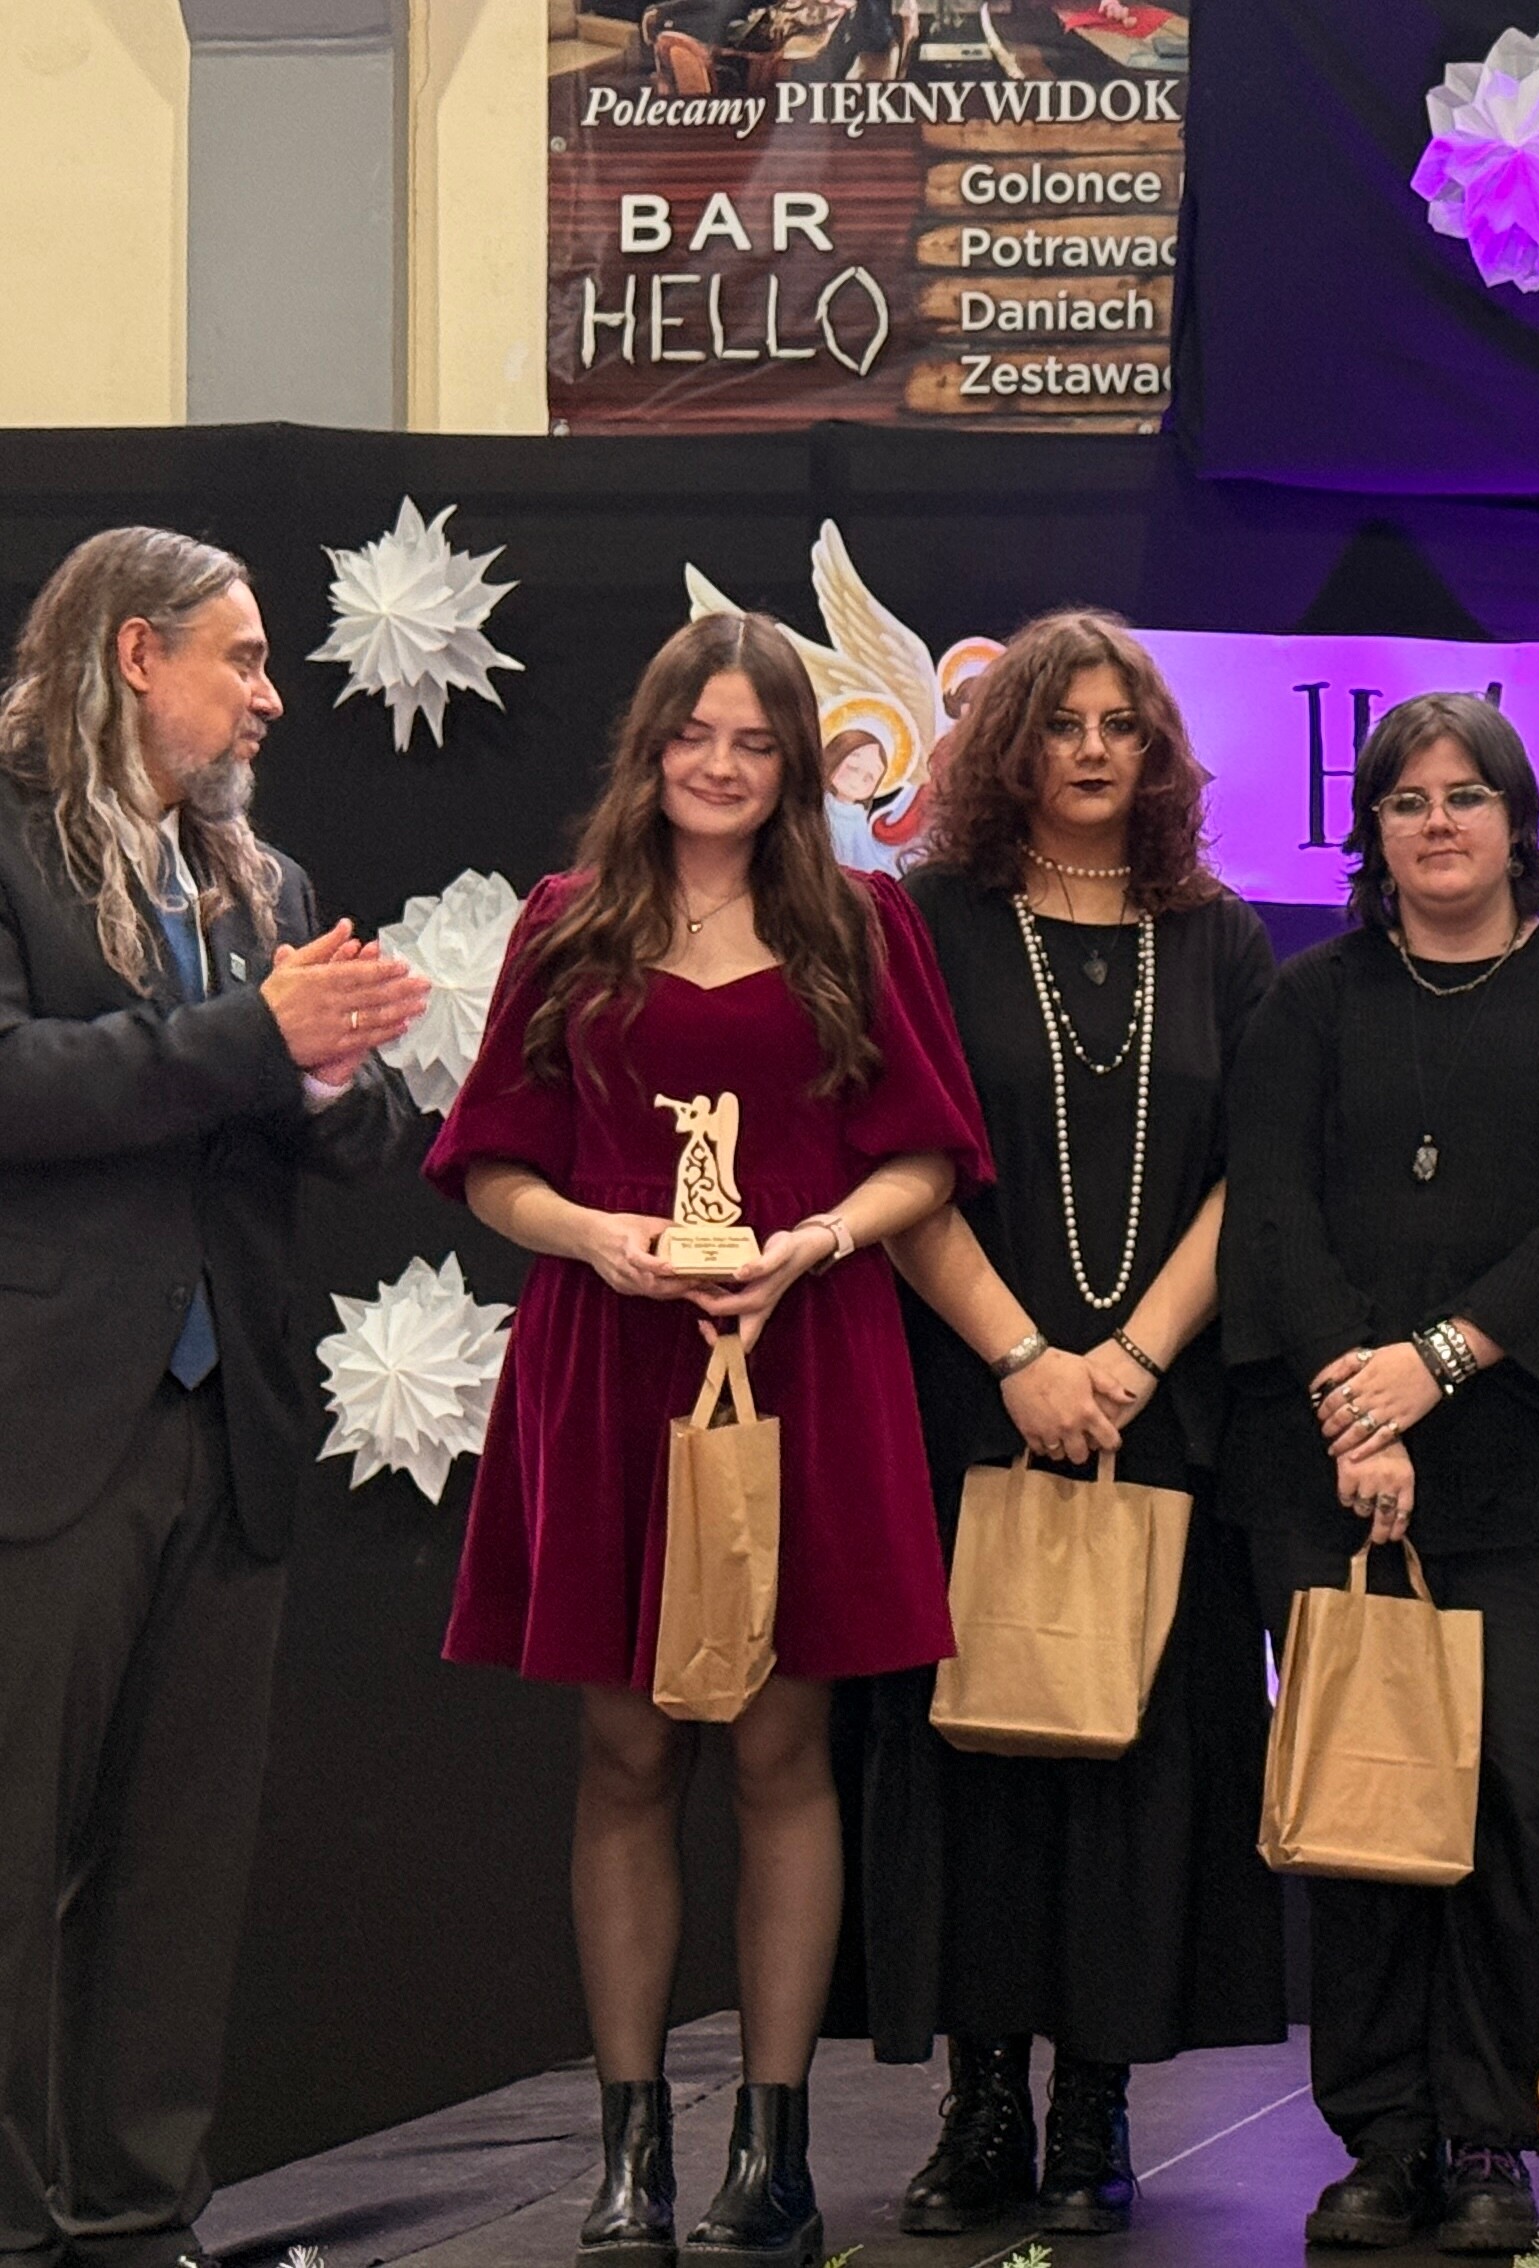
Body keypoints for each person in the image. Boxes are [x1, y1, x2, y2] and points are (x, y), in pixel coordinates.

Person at [437, 611, 991, 2268]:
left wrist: (817, 1239)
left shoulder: (863, 923)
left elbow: (927, 1161)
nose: (725, 766)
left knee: (778, 1751)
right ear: (652, 742)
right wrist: (594, 1235)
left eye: (757, 742)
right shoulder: (568, 923)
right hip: (612, 1364)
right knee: (625, 1752)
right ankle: (631, 2159)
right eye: (698, 735)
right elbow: (491, 1165)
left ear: (799, 762)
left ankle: (774, 2151)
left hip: (806, 1360)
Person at [0, 527, 428, 2268]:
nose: (269, 698)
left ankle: (133, 2217)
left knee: (179, 1862)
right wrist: (265, 1038)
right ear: (134, 655)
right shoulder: (8, 836)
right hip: (47, 1427)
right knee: (12, 1853)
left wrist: (331, 1071)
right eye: (242, 658)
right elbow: (17, 1083)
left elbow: (370, 1132)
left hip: (225, 1424)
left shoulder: (258, 880)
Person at [1221, 692, 1539, 2258]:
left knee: (1516, 1807)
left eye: (1466, 796)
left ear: (1516, 819)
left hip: (1537, 1469)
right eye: (1406, 800)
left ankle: (1489, 2137)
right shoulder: (1310, 1002)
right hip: (1331, 1469)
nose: (1437, 824)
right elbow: (1273, 1208)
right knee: (1363, 1807)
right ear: (1374, 830)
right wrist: (1364, 1410)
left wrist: (1439, 1362)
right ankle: (1384, 2138)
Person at [870, 611, 1286, 2235]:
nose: (1095, 750)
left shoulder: (1220, 937)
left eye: (1122, 724)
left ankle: (1096, 2109)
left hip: (1156, 1415)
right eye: (1063, 724)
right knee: (979, 1759)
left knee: (1134, 1763)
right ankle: (982, 2106)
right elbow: (892, 1161)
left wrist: (1128, 1362)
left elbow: (1260, 1179)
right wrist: (1026, 1359)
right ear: (1011, 747)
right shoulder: (929, 924)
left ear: (1159, 750)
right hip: (973, 1405)